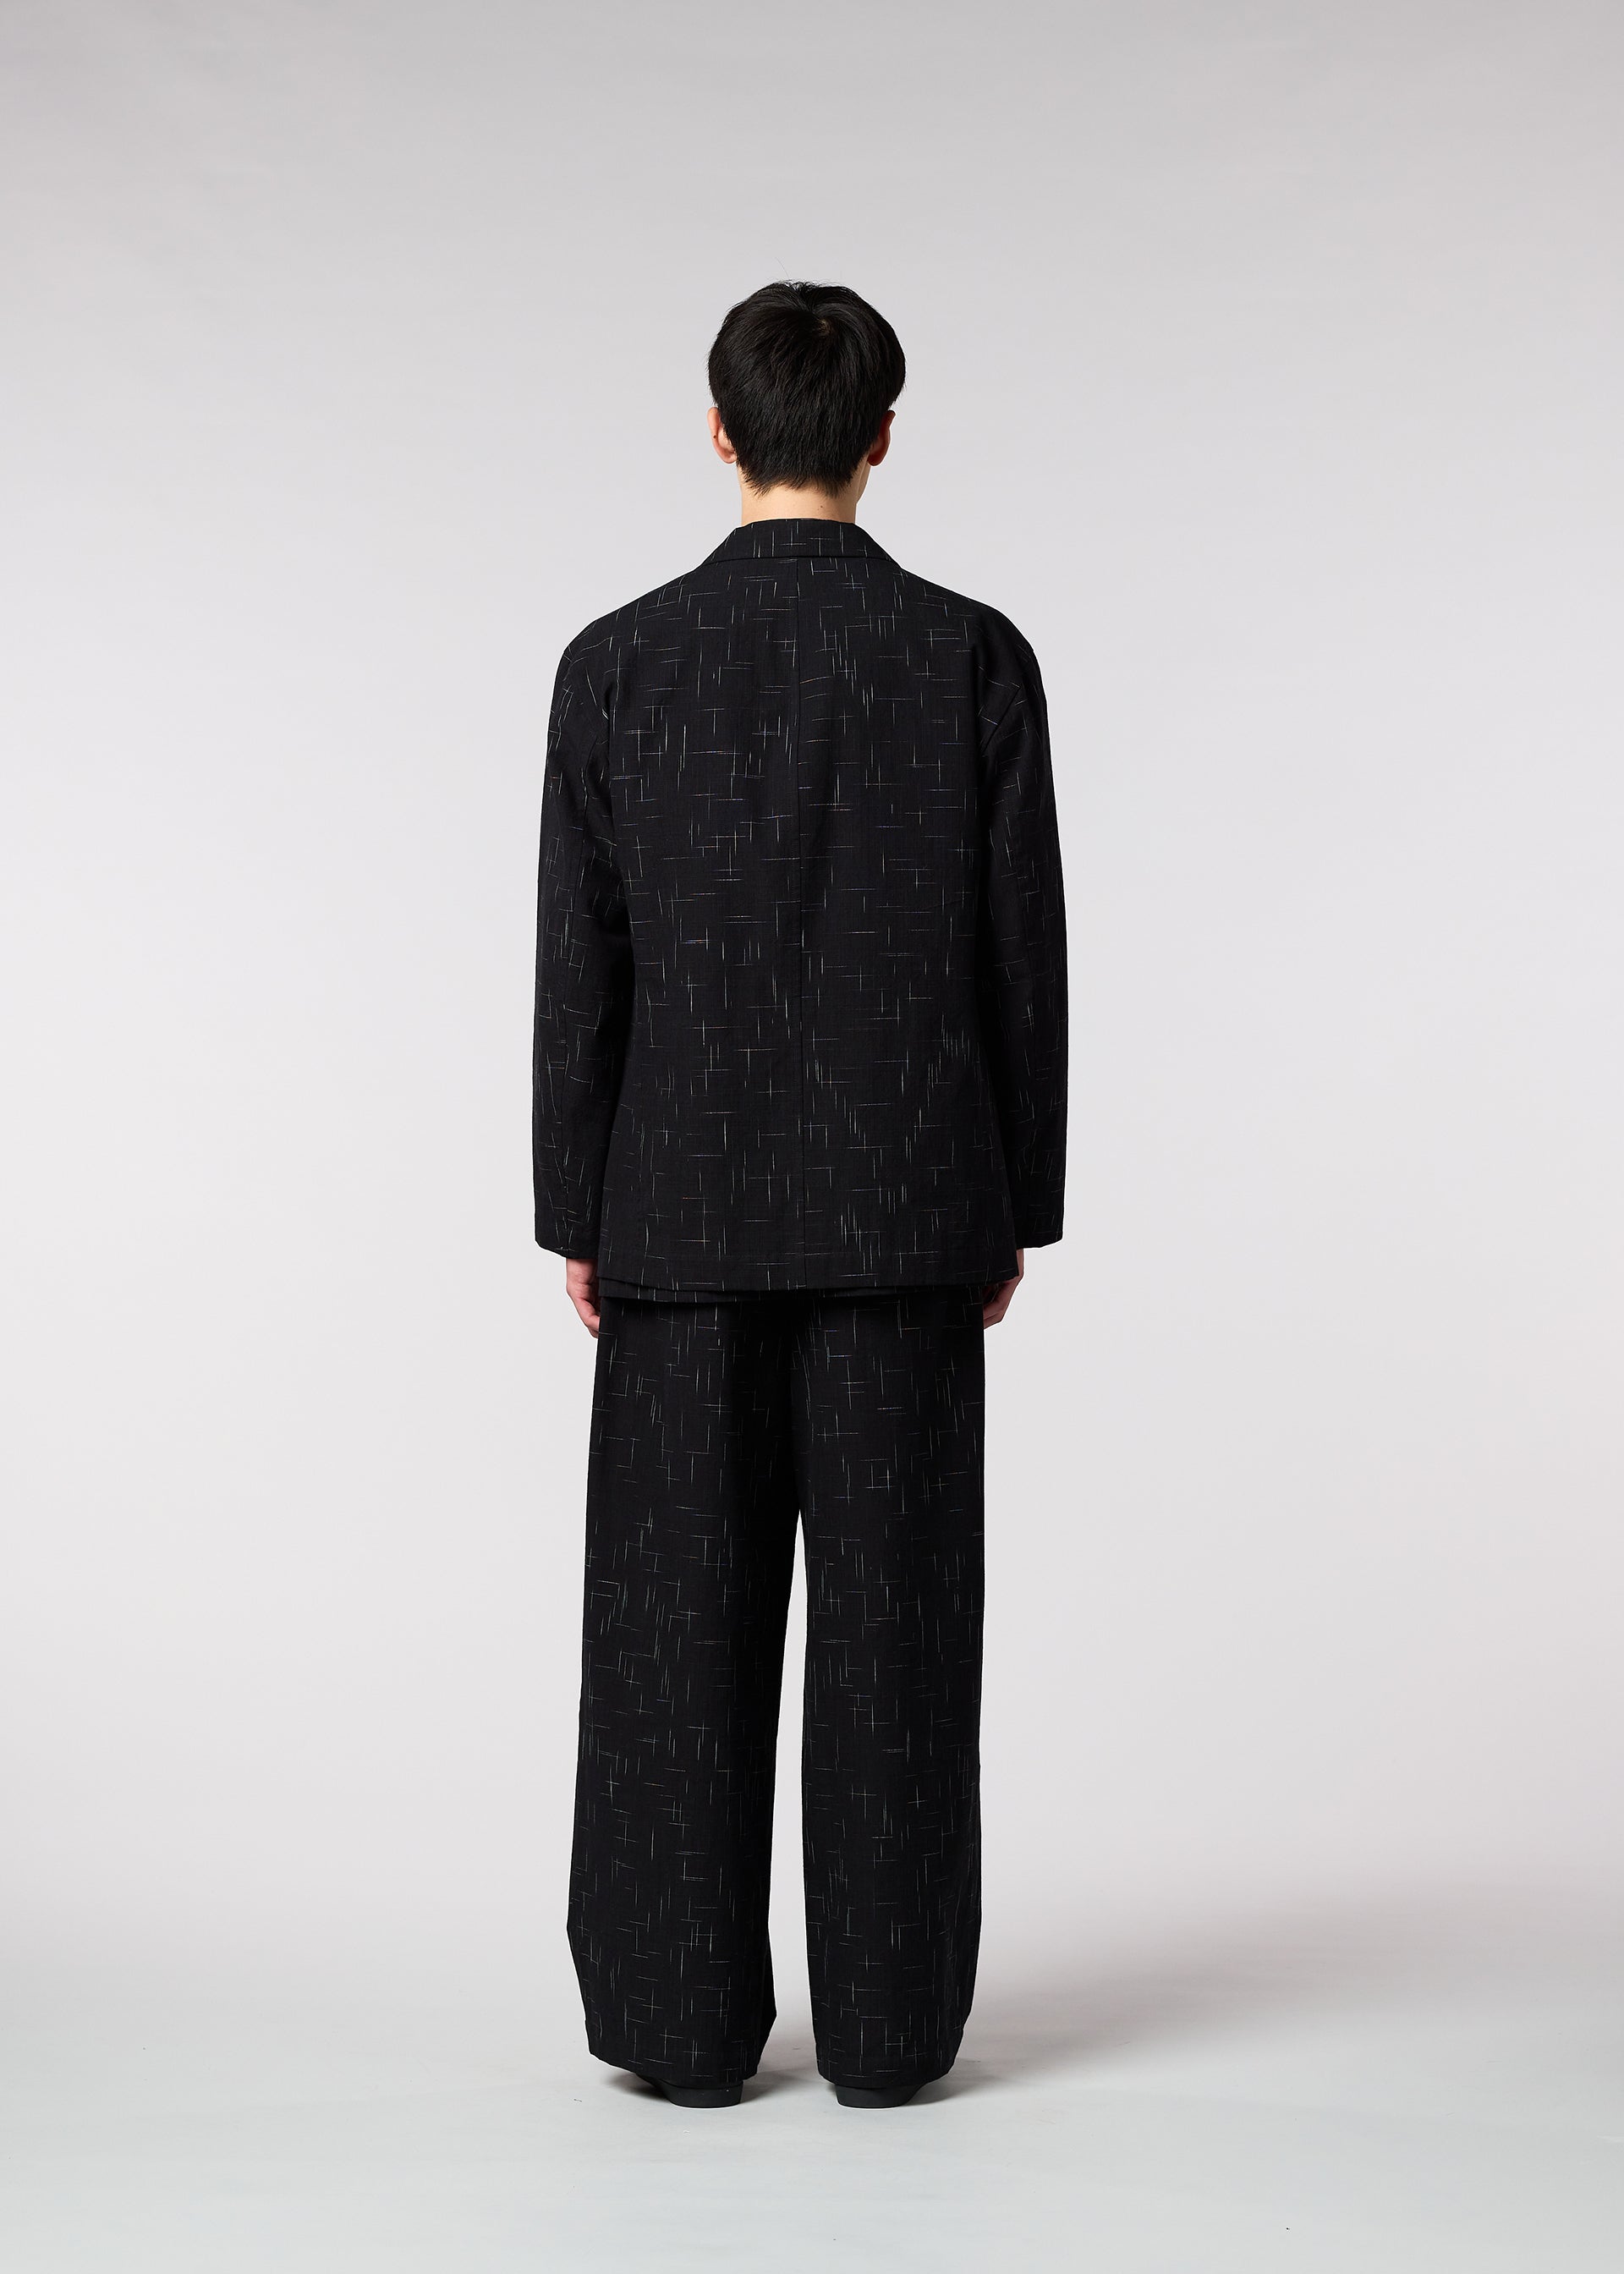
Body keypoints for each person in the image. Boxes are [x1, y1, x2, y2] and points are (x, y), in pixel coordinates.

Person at [533, 281, 1067, 2110]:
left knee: (668, 1639)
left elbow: (583, 964)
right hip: (908, 1216)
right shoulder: (969, 655)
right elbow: (1021, 956)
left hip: (675, 1217)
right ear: (882, 437)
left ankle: (677, 2032)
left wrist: (579, 1207)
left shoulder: (617, 662)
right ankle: (894, 2035)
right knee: (899, 1635)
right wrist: (1014, 1202)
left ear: (718, 430)